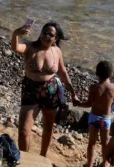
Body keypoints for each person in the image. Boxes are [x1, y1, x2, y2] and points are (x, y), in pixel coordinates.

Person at [11, 21, 76, 157]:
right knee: (23, 131)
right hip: (30, 89)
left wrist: (72, 92)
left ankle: (43, 155)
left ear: (55, 38)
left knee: (48, 126)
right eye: (44, 32)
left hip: (51, 91)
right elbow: (16, 47)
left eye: (50, 34)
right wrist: (16, 33)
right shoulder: (30, 47)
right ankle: (25, 160)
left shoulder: (57, 51)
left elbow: (63, 72)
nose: (46, 36)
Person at [73, 60, 114, 167]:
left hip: (94, 117)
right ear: (111, 74)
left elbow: (89, 104)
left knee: (91, 143)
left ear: (97, 73)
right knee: (104, 143)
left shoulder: (93, 87)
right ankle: (104, 164)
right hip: (105, 119)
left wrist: (78, 103)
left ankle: (89, 166)